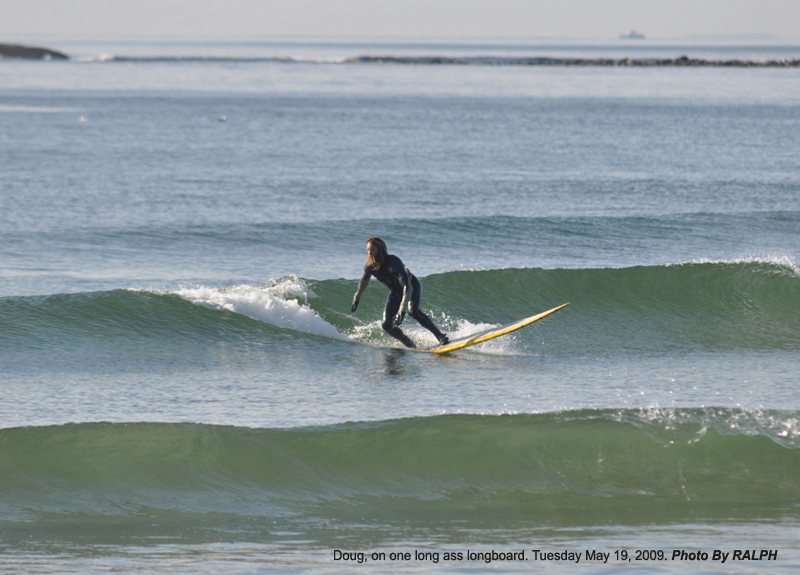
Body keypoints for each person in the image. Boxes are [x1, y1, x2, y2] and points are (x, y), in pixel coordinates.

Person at [350, 237, 449, 349]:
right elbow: (364, 282)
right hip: (395, 292)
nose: (369, 253)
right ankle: (410, 345)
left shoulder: (393, 262)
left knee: (413, 312)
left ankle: (440, 336)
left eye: (372, 250)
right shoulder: (370, 266)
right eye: (368, 250)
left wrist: (402, 309)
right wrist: (356, 298)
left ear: (380, 249)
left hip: (411, 286)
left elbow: (407, 286)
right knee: (386, 325)